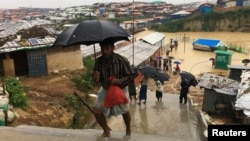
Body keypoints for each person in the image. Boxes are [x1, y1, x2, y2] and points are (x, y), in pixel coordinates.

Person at [92, 38, 133, 137]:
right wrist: (95, 76)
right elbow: (95, 78)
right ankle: (106, 129)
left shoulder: (121, 60)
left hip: (120, 89)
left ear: (112, 48)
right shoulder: (98, 61)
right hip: (106, 89)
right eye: (102, 49)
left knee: (124, 110)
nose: (104, 51)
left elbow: (130, 77)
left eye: (107, 48)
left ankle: (128, 128)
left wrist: (118, 81)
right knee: (96, 110)